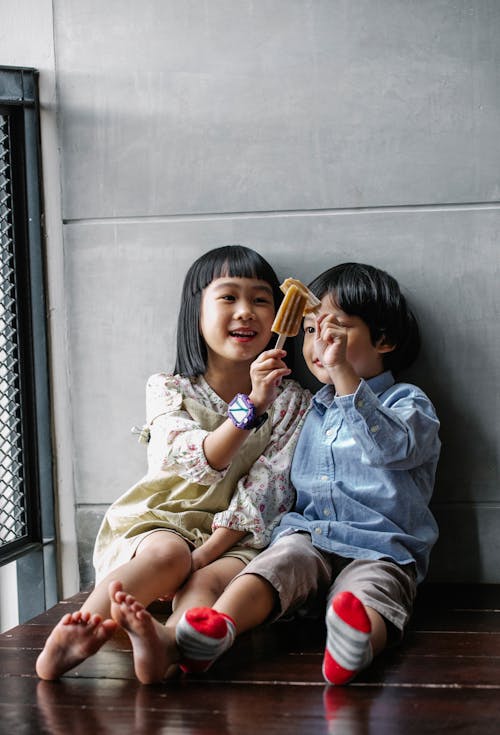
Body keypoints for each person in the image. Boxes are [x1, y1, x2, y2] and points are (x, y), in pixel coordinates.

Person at [108, 261, 440, 686]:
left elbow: (393, 449)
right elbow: (275, 478)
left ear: (384, 339)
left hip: (380, 546)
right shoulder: (310, 408)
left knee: (372, 592)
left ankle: (355, 644)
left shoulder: (407, 402)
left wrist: (345, 377)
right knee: (270, 569)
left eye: (335, 329)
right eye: (311, 329)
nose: (320, 343)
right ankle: (208, 634)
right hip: (309, 537)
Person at [36, 245, 310, 682]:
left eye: (261, 300)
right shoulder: (169, 388)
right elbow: (197, 458)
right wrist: (253, 404)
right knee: (168, 555)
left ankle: (168, 645)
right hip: (163, 519)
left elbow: (268, 488)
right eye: (228, 297)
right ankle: (81, 632)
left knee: (209, 585)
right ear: (195, 312)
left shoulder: (294, 402)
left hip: (236, 537)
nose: (246, 312)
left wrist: (203, 556)